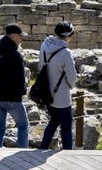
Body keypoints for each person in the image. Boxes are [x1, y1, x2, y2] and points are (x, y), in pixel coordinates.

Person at [0, 22, 29, 148]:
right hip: (12, 99)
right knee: (23, 126)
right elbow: (20, 81)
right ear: (13, 36)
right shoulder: (16, 56)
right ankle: (22, 153)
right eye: (20, 37)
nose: (21, 40)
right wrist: (22, 92)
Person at [38, 21, 77, 150]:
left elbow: (40, 66)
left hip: (46, 91)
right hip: (62, 96)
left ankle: (43, 147)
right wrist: (70, 86)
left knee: (54, 120)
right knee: (66, 125)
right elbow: (72, 77)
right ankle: (67, 152)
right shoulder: (66, 53)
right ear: (68, 36)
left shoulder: (45, 45)